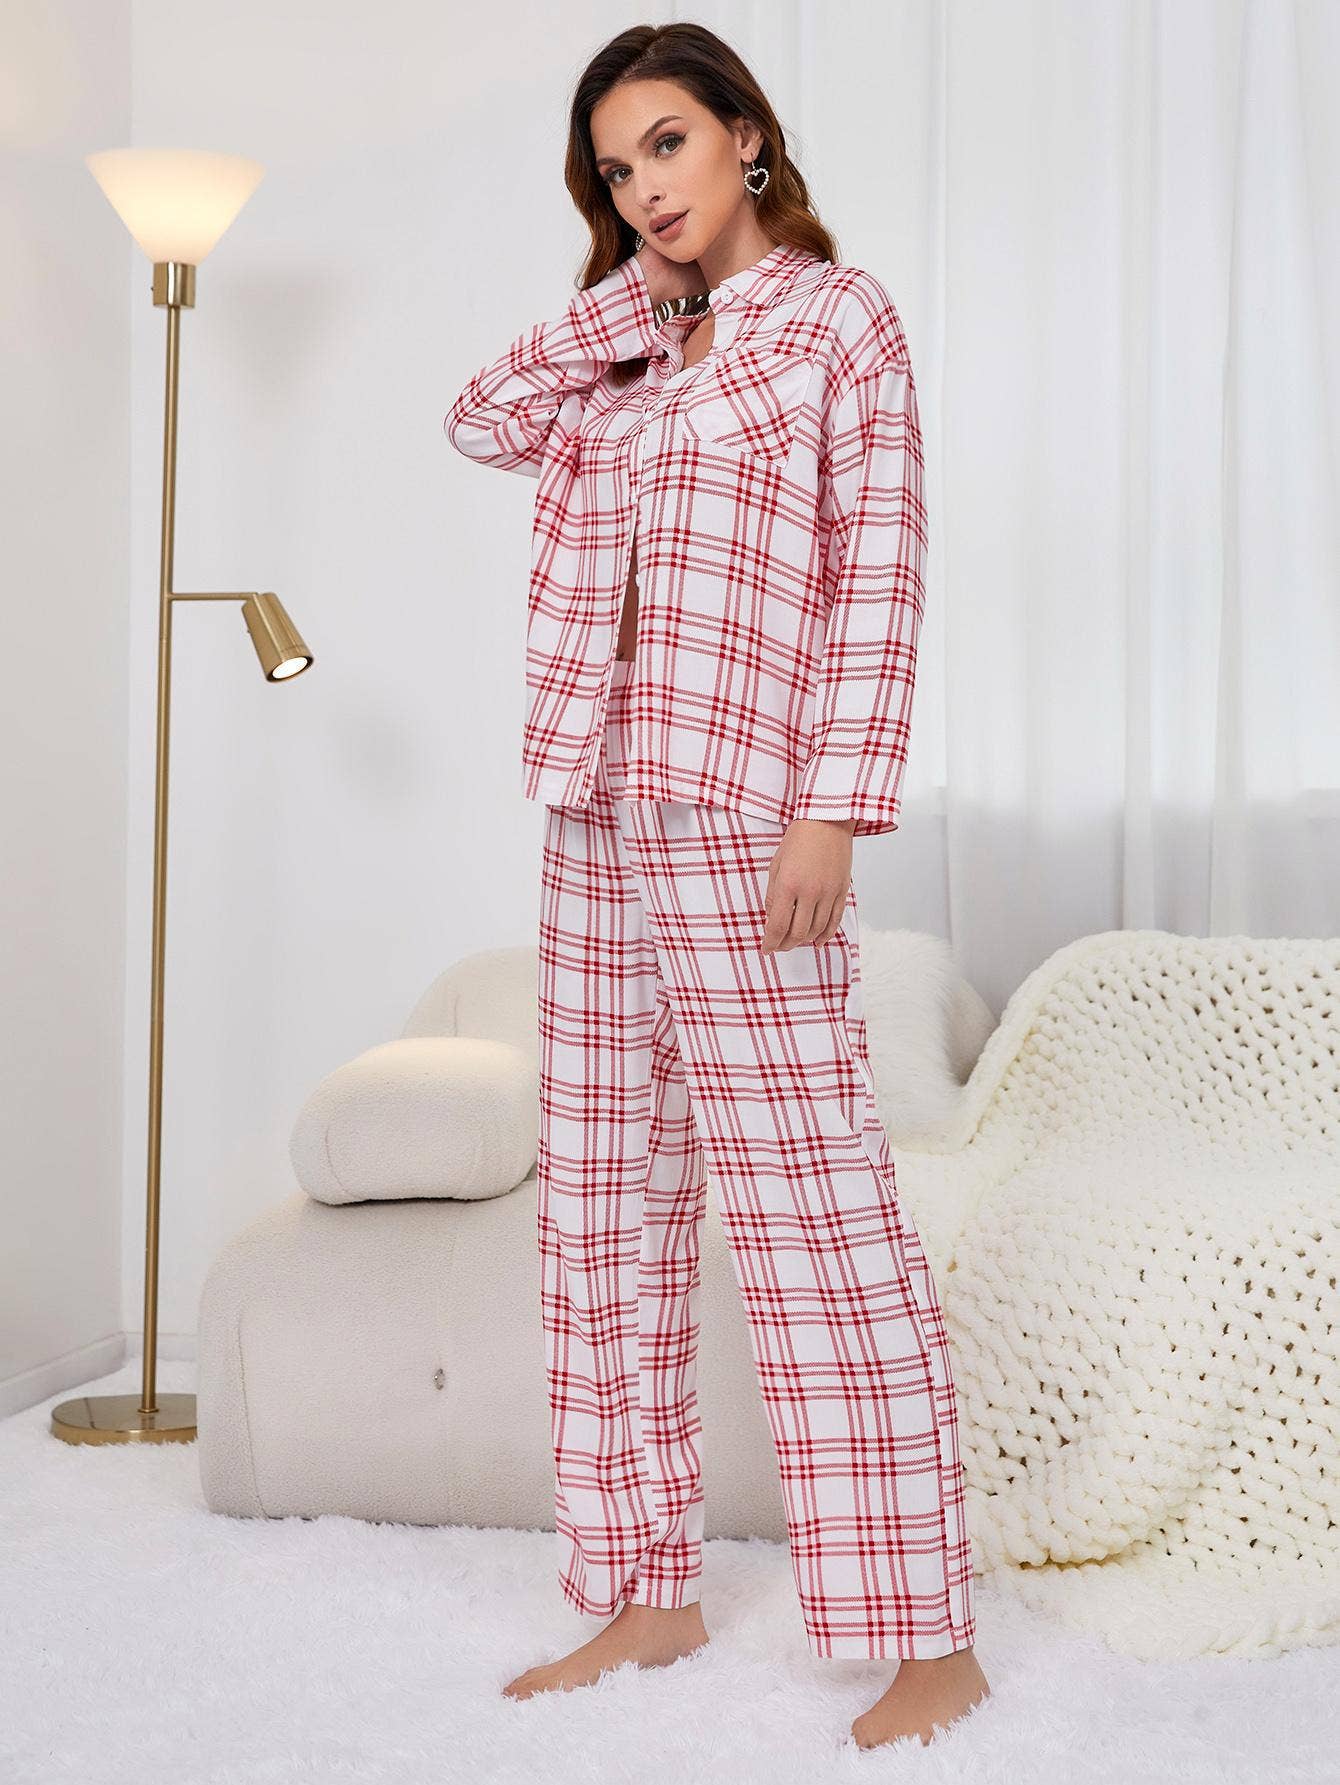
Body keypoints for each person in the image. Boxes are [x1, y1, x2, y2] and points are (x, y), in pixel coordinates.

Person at [443, 19, 991, 1752]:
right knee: (603, 1210)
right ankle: (644, 1584)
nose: (645, 188)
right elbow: (475, 418)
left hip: (752, 812)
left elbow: (880, 577)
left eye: (668, 145)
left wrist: (834, 811)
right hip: (593, 806)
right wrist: (635, 298)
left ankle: (928, 1632)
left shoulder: (841, 322)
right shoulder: (623, 350)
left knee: (813, 1211)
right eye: (616, 171)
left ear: (747, 134)